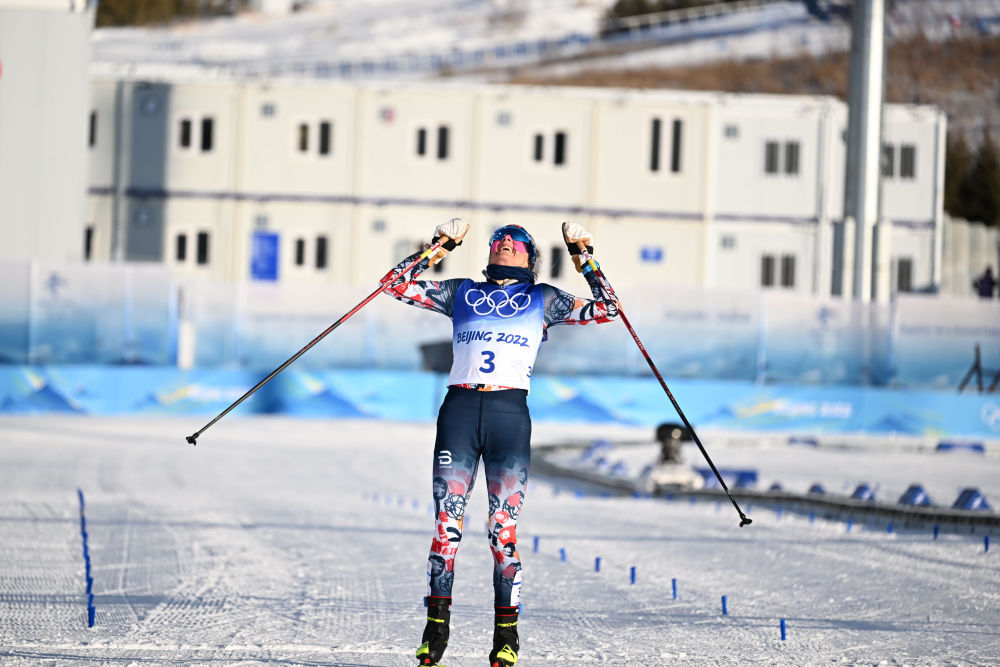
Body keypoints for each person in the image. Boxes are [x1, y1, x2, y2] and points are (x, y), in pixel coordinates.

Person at [380, 219, 619, 667]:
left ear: (531, 258)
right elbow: (394, 285)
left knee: (501, 533)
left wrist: (582, 253)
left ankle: (506, 636)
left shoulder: (542, 298)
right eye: (498, 240)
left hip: (509, 416)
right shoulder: (461, 291)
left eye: (517, 241)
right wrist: (440, 246)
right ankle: (435, 632)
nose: (505, 242)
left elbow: (609, 309)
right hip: (460, 413)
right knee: (446, 530)